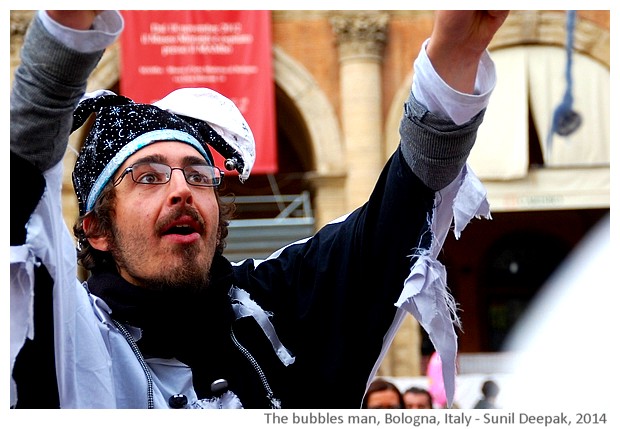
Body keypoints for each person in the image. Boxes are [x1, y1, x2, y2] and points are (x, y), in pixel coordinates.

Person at [10, 10, 509, 409]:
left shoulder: (274, 301)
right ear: (96, 229)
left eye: (198, 175)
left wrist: (456, 53)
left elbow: (396, 218)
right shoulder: (68, 333)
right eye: (149, 176)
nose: (181, 190)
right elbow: (20, 189)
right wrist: (61, 38)